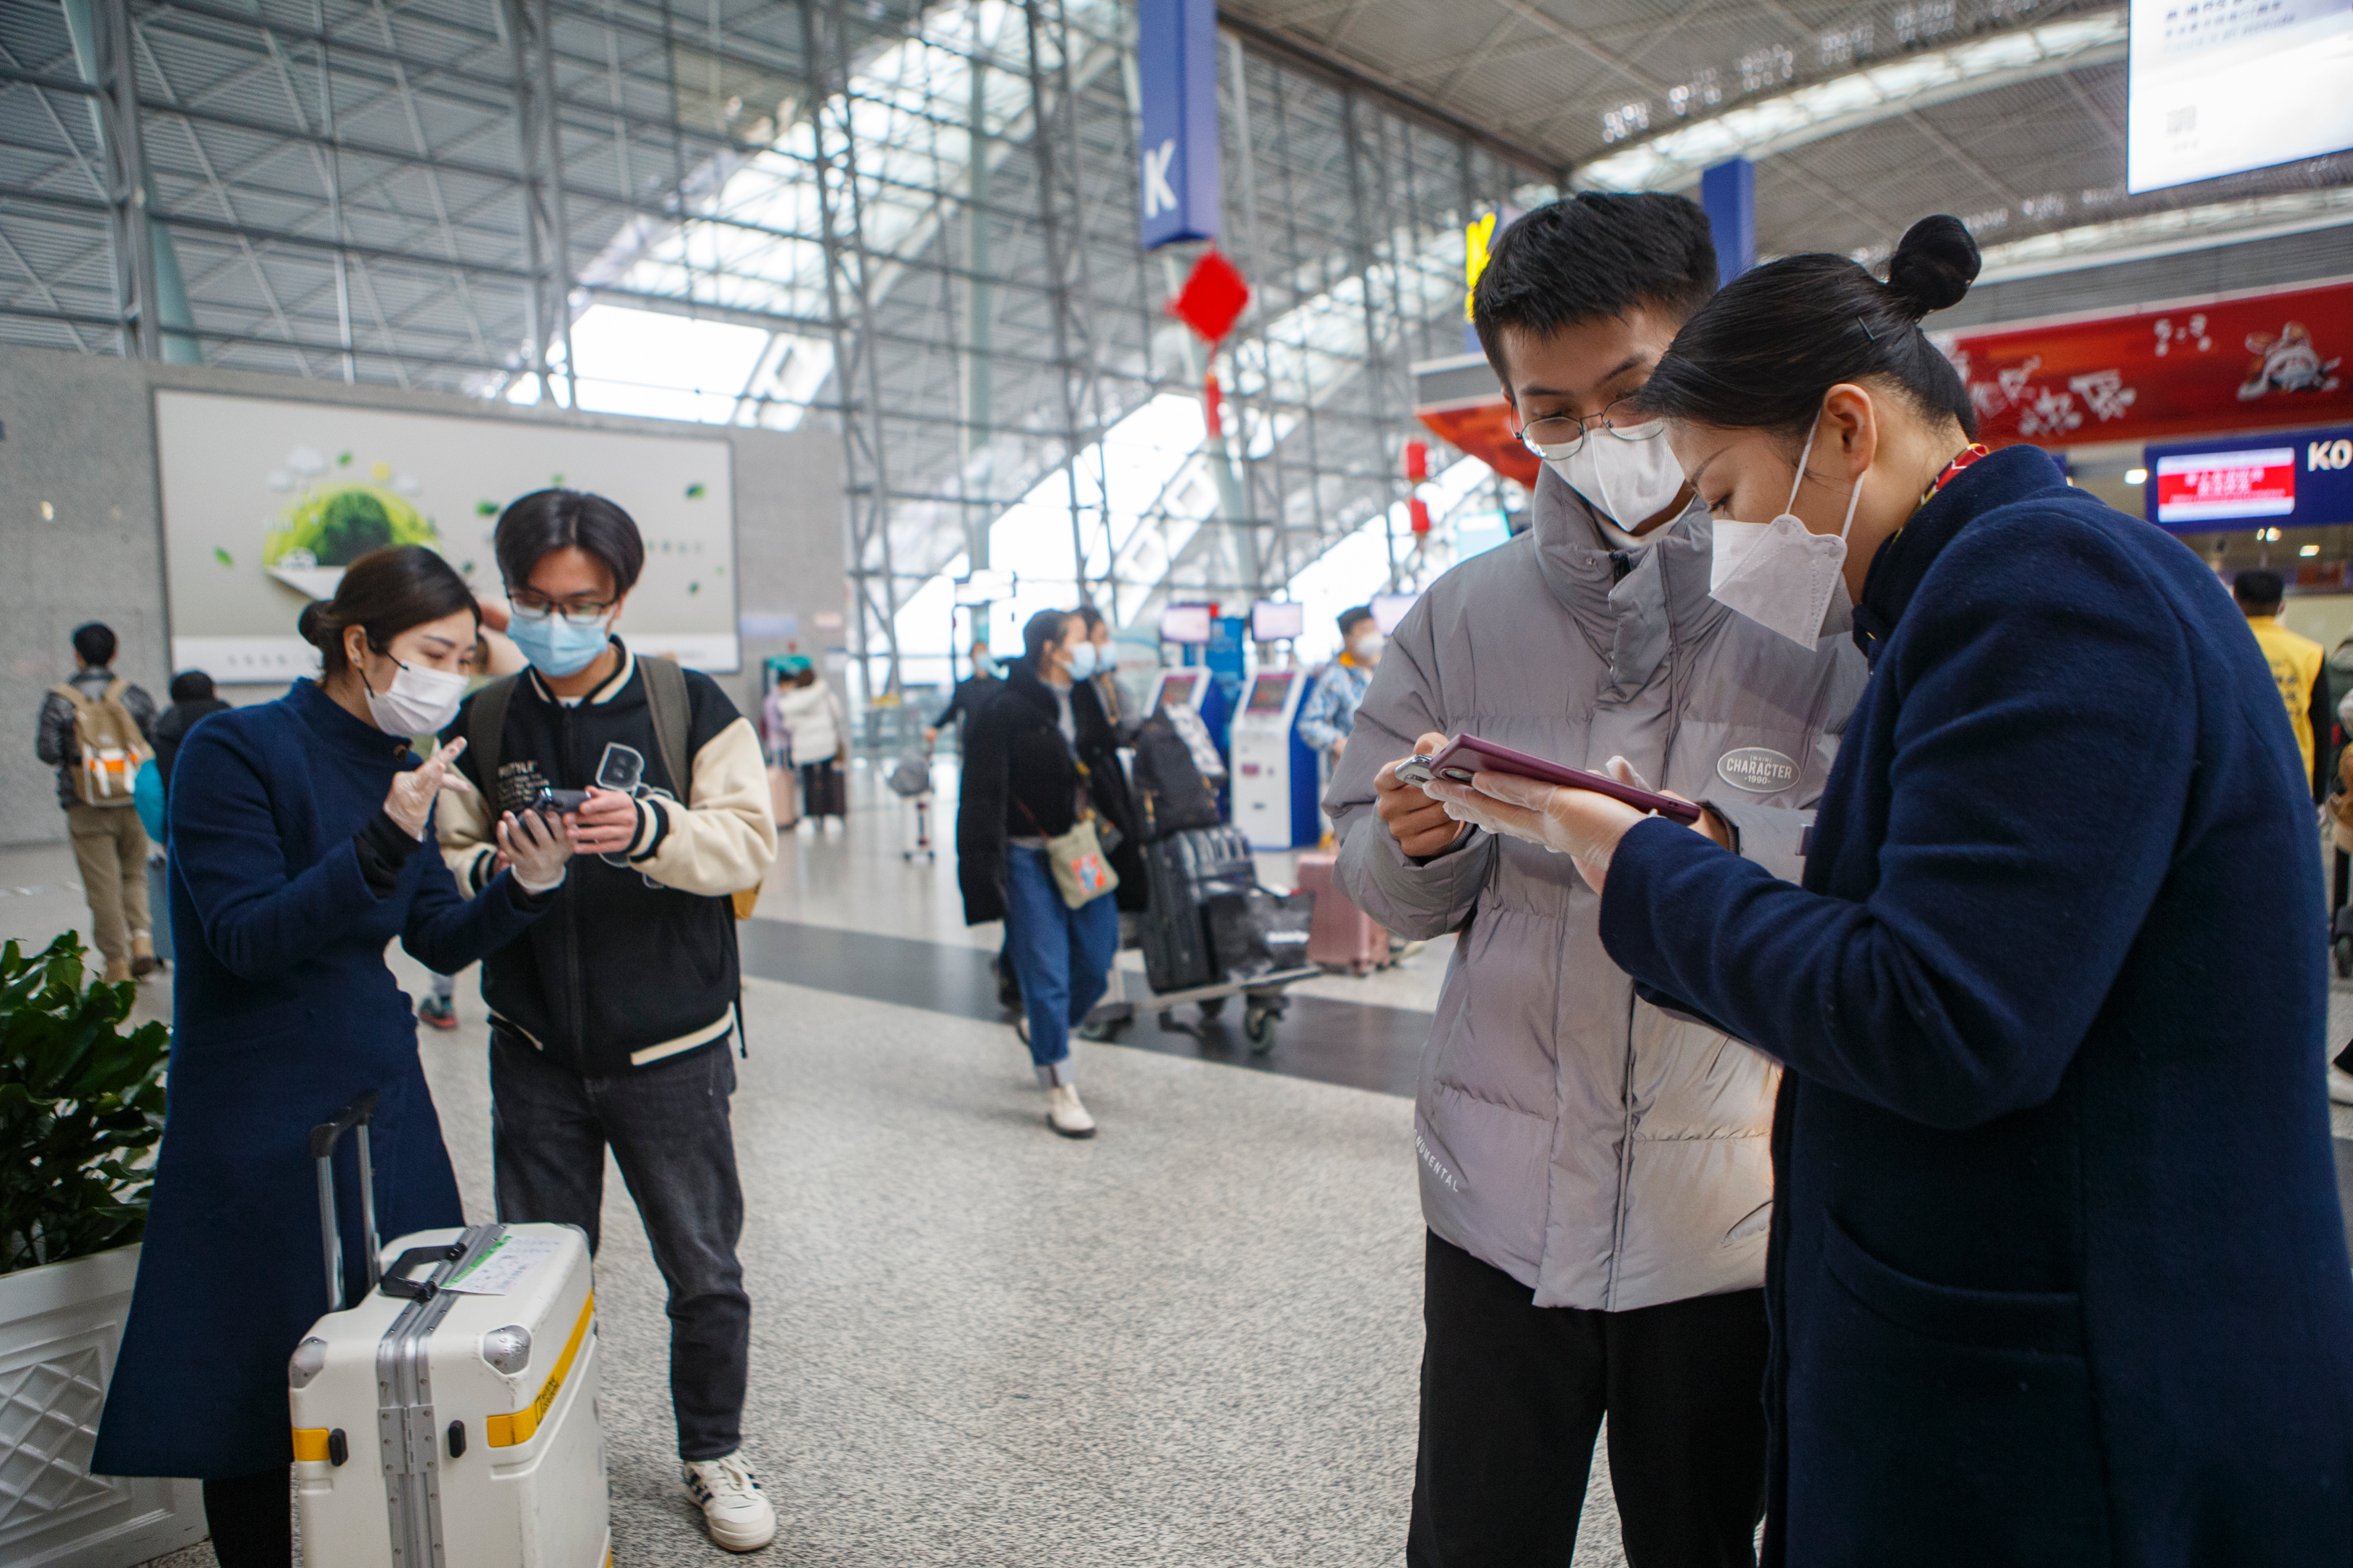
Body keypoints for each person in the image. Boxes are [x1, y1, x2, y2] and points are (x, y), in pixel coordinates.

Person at [1425, 215, 2353, 1564]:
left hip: (2079, 1392)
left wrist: (1641, 866)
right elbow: (1977, 931)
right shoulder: (1984, 589)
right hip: (2035, 1348)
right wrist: (1710, 860)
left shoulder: (2045, 590)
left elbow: (1942, 1013)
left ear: (1846, 429)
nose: (1729, 546)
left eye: (1734, 498)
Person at [1328, 190, 1869, 1567]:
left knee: (1704, 1537)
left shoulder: (1818, 606)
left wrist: (1718, 866)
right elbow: (1376, 876)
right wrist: (1414, 844)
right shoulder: (1461, 614)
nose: (1597, 440)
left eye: (1629, 390)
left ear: (1706, 343)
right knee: (1474, 1535)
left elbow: (1872, 894)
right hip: (1495, 1198)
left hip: (1725, 1217)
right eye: (1550, 411)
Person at [90, 547, 571, 1568]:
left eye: (462, 656)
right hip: (260, 1109)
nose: (449, 675)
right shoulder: (237, 747)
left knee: (393, 1358)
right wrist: (379, 845)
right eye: (433, 652)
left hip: (377, 1093)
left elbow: (437, 935)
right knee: (259, 1382)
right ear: (361, 644)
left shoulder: (406, 767)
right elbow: (243, 936)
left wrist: (526, 885)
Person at [434, 488, 779, 1553]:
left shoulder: (688, 702)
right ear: (508, 598)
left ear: (619, 596)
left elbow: (750, 843)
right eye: (534, 601)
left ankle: (714, 1448)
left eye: (581, 600)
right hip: (535, 1048)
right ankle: (551, 1449)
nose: (557, 619)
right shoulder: (487, 719)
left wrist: (650, 829)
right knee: (540, 1275)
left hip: (671, 1050)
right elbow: (446, 863)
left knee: (705, 1270)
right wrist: (507, 869)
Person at [955, 609, 1130, 1138]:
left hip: (1080, 850)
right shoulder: (1002, 709)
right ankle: (1058, 1083)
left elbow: (1100, 766)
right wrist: (985, 872)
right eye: (1080, 639)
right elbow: (980, 797)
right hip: (1026, 856)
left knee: (1097, 961)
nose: (1091, 647)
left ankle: (1043, 1026)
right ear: (1052, 649)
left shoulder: (1083, 699)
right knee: (1045, 971)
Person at [37, 622, 159, 982]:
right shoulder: (133, 695)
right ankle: (142, 940)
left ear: (76, 654)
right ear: (114, 652)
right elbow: (150, 740)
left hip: (85, 805)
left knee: (102, 886)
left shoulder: (61, 699)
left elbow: (47, 751)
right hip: (132, 798)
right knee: (135, 875)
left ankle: (116, 963)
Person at [2233, 568, 2330, 800]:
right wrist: (2317, 793)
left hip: (2234, 782)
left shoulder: (2217, 649)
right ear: (2281, 606)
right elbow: (2320, 728)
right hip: (2294, 781)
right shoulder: (2310, 653)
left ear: (2235, 603)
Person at [1295, 605, 1380, 761]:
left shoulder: (1383, 671)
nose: (1372, 636)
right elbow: (1309, 724)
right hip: (1356, 770)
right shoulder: (1335, 677)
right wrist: (1338, 741)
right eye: (1364, 630)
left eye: (1373, 629)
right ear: (1347, 638)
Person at [773, 655, 848, 830]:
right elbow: (837, 715)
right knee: (827, 778)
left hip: (804, 748)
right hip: (826, 744)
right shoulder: (826, 696)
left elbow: (788, 725)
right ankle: (830, 816)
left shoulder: (791, 701)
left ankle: (810, 817)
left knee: (807, 783)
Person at [152, 669, 230, 802]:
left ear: (174, 700)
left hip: (179, 814)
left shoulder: (163, 734)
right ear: (213, 694)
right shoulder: (235, 727)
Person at [926, 639, 1001, 748]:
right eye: (979, 652)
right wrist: (935, 727)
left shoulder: (1001, 685)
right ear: (972, 657)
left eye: (985, 652)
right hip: (973, 741)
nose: (982, 656)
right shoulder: (964, 687)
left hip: (997, 740)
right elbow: (952, 711)